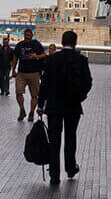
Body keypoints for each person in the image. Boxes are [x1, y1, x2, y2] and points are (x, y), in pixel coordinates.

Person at [37, 30, 92, 186]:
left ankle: (54, 174)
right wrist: (80, 97)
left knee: (54, 140)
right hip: (73, 105)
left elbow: (45, 83)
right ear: (75, 42)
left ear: (62, 42)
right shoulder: (81, 59)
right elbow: (88, 82)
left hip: (54, 106)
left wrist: (41, 104)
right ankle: (70, 168)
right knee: (70, 137)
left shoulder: (52, 59)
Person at [12, 28, 46, 122]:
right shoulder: (20, 45)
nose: (27, 37)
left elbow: (44, 55)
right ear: (24, 35)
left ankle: (31, 112)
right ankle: (22, 109)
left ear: (32, 35)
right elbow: (15, 57)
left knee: (34, 95)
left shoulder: (37, 44)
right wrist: (13, 70)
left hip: (34, 73)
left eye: (29, 35)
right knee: (18, 92)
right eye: (26, 35)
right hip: (21, 73)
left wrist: (36, 57)